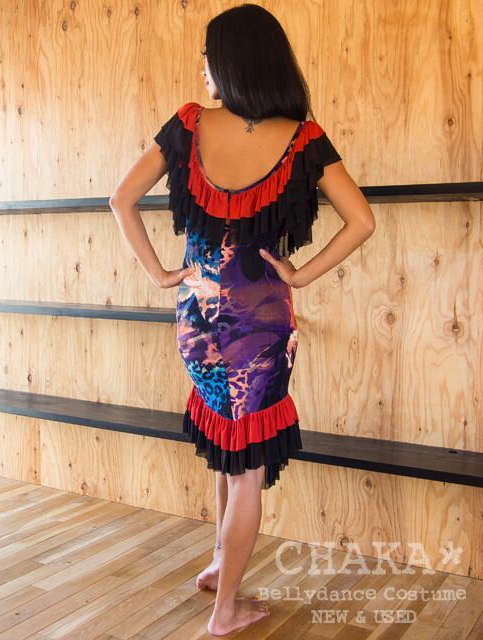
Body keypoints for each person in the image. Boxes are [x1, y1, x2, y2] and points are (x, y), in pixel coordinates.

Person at [110, 4, 375, 636]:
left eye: (208, 55)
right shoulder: (303, 138)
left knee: (227, 447)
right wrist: (300, 276)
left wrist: (161, 273)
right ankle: (226, 609)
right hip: (262, 328)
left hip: (197, 318)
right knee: (249, 467)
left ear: (233, 60)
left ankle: (217, 567)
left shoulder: (188, 124)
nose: (202, 67)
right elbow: (362, 221)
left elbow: (121, 200)